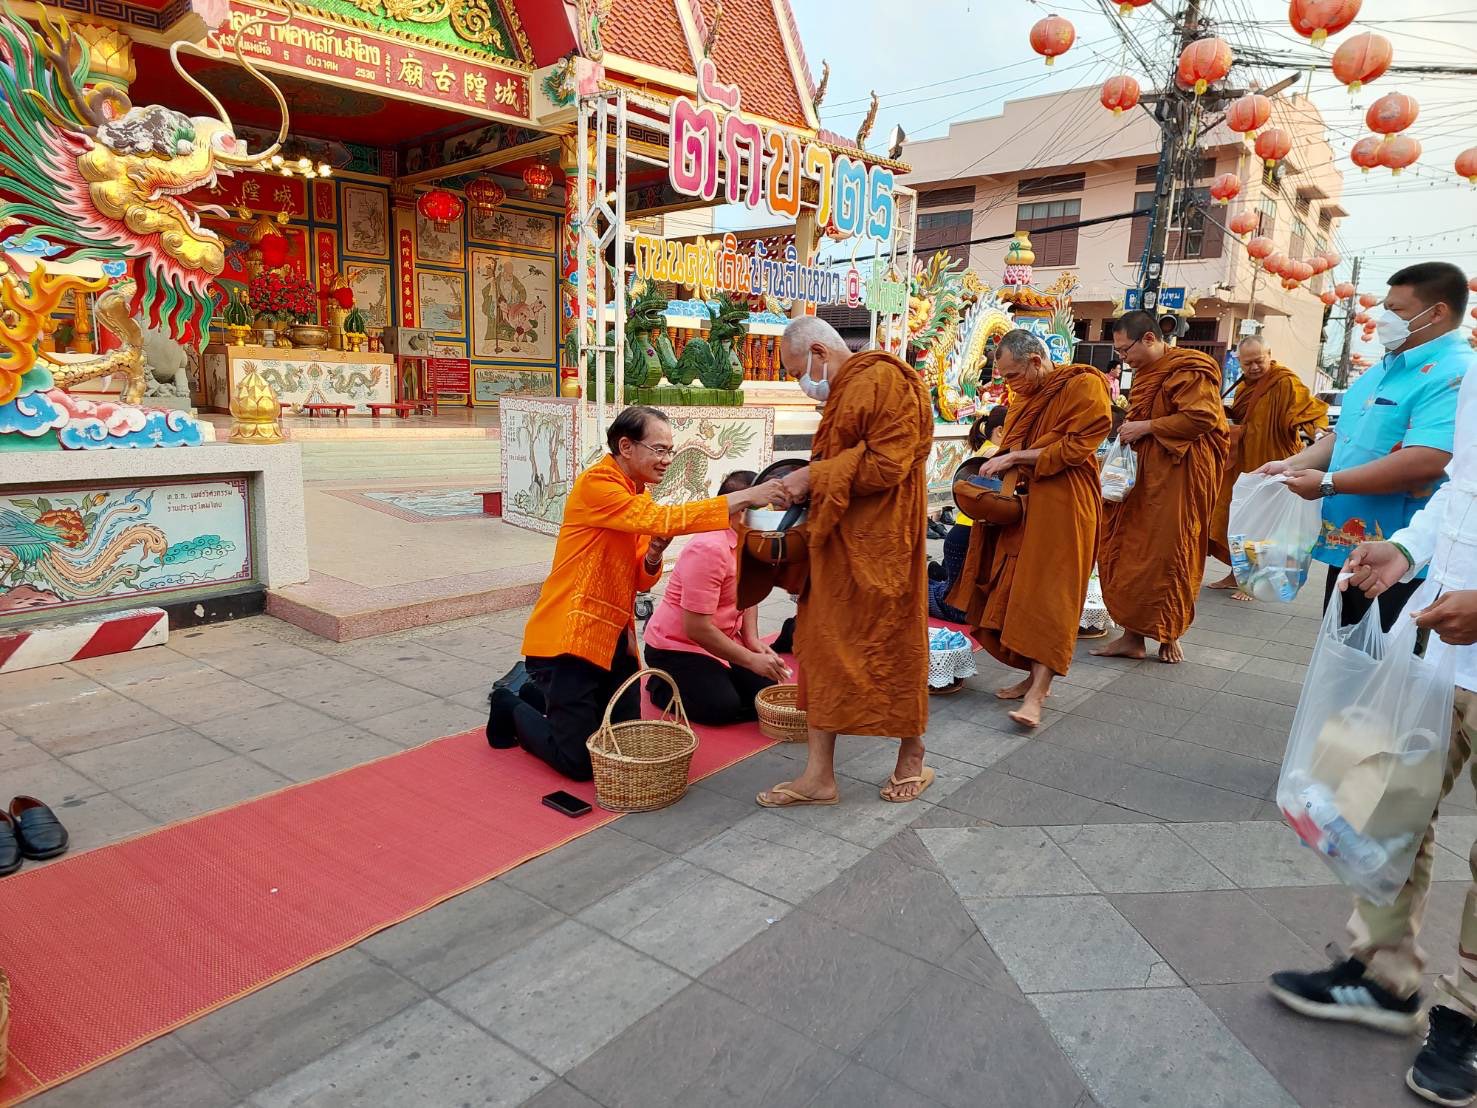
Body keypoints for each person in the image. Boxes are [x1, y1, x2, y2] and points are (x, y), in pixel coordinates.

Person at [1267, 330, 1477, 1108]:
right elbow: (1459, 493)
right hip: (1434, 648)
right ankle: (1384, 972)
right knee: (1383, 808)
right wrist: (1404, 549)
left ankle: (1468, 1019)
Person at [488, 406, 788, 780]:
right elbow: (665, 520)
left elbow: (642, 581)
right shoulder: (597, 484)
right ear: (626, 446)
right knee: (580, 764)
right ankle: (507, 703)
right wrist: (746, 496)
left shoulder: (638, 497)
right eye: (659, 450)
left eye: (670, 451)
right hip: (570, 637)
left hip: (615, 635)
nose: (666, 460)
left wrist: (654, 554)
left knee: (623, 741)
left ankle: (544, 698)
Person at [756, 316, 935, 806]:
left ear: (819, 351)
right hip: (838, 542)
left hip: (884, 545)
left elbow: (887, 464)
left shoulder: (885, 380)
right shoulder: (847, 389)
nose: (802, 384)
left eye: (798, 371)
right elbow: (847, 461)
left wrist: (816, 477)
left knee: (893, 647)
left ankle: (912, 756)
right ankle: (819, 775)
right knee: (820, 647)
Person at [1259, 262, 1473, 632]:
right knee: (1341, 658)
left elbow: (1429, 459)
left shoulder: (1456, 373)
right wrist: (1291, 464)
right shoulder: (1382, 369)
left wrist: (1329, 482)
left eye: (1397, 310)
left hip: (1403, 558)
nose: (1385, 318)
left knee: (1384, 669)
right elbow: (1344, 437)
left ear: (1437, 312)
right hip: (1349, 544)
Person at [949, 330, 1111, 726]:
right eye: (1004, 377)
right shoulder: (1026, 395)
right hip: (1025, 503)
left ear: (1036, 362)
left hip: (1066, 501)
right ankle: (1031, 677)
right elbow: (1014, 446)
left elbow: (1077, 447)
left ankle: (1038, 695)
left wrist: (1016, 457)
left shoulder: (1083, 384)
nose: (1009, 385)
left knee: (1051, 595)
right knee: (1014, 585)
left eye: (1012, 376)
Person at [1092, 309, 1229, 664]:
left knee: (1171, 552)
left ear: (1149, 339)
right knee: (1131, 552)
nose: (1123, 358)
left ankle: (1168, 633)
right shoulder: (1146, 372)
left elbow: (1201, 417)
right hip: (1143, 477)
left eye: (1125, 350)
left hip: (1178, 477)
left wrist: (1147, 427)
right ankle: (1132, 637)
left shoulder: (1189, 368)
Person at [643, 470, 791, 725]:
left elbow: (750, 594)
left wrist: (752, 641)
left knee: (765, 692)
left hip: (720, 638)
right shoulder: (708, 548)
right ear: (739, 509)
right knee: (721, 708)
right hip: (678, 645)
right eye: (764, 509)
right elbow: (696, 629)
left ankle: (718, 677)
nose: (771, 517)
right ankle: (660, 683)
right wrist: (750, 659)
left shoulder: (751, 539)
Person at [1207, 335, 1329, 599]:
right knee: (1236, 518)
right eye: (1247, 363)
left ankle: (1254, 582)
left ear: (1269, 354)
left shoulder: (1284, 381)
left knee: (1263, 524)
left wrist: (1319, 434)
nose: (1254, 367)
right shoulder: (1243, 386)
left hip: (1273, 462)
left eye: (1259, 361)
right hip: (1244, 463)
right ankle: (1235, 573)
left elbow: (1308, 411)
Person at [930, 406, 1005, 623]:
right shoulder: (993, 455)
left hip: (972, 534)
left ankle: (938, 577)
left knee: (970, 601)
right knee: (960, 609)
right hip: (966, 535)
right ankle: (924, 590)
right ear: (1000, 431)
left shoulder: (991, 451)